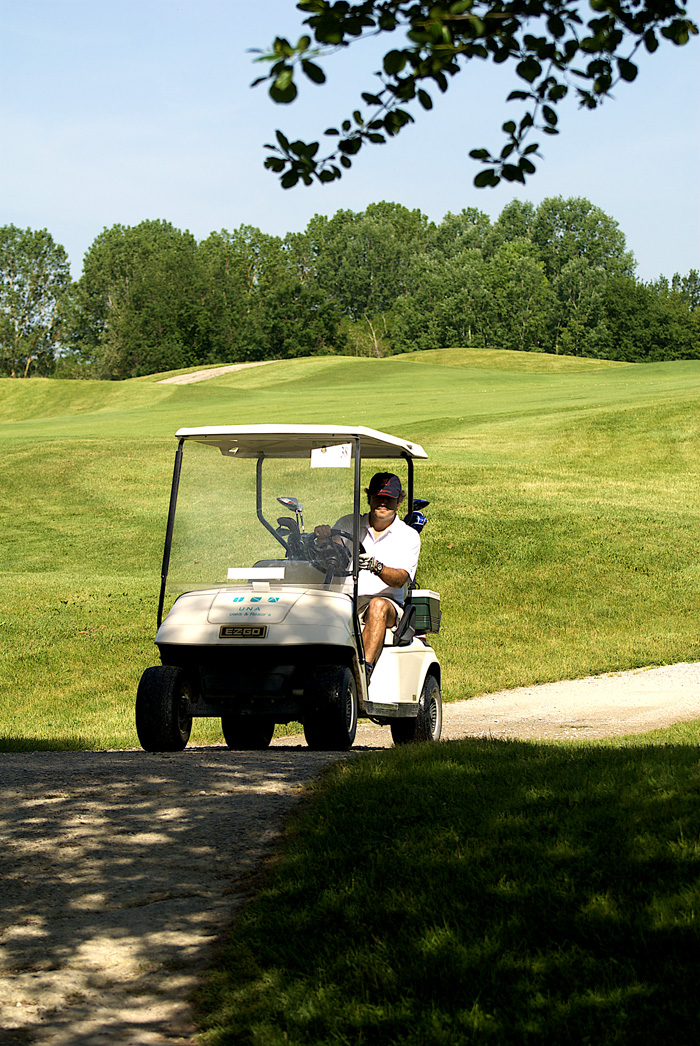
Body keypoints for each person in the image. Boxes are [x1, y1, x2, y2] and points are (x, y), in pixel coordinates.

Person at [315, 472, 420, 682]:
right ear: (369, 498)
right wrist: (324, 541)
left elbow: (400, 579)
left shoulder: (408, 535)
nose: (383, 503)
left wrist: (376, 567)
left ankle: (362, 673)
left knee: (377, 606)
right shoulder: (348, 524)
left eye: (389, 498)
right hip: (346, 599)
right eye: (378, 497)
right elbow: (333, 558)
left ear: (399, 501)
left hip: (387, 603)